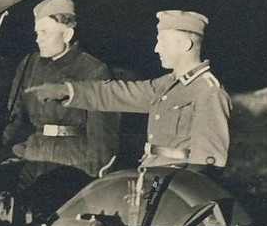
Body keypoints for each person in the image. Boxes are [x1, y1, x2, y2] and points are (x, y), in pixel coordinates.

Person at [31, 9, 230, 170]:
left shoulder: (208, 91)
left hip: (173, 187)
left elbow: (207, 164)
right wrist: (68, 91)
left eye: (163, 41)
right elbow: (118, 93)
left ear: (186, 44)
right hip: (151, 173)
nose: (156, 49)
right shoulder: (165, 85)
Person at [0, 0, 120, 214]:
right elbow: (15, 117)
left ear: (67, 34)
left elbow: (103, 135)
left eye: (45, 32)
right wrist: (5, 151)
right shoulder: (29, 64)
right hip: (32, 154)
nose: (38, 39)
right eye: (37, 32)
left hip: (73, 162)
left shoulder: (94, 70)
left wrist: (98, 175)